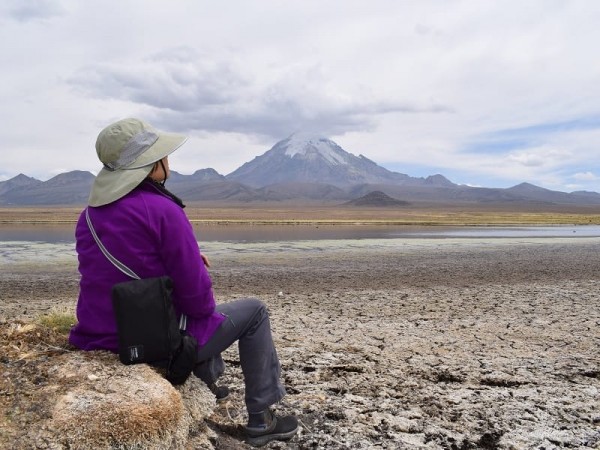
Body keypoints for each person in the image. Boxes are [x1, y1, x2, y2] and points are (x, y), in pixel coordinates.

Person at [69, 118, 299, 447]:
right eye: (161, 155)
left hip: (98, 335)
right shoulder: (163, 210)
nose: (168, 161)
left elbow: (122, 270)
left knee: (191, 315)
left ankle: (207, 385)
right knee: (252, 312)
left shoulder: (88, 216)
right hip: (152, 343)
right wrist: (195, 270)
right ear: (149, 166)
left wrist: (180, 265)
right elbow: (199, 304)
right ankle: (262, 420)